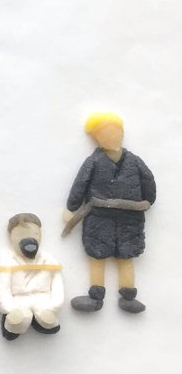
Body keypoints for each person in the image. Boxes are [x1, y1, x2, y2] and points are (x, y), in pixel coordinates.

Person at [63, 113, 156, 313]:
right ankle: (95, 297)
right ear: (97, 139)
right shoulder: (93, 162)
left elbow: (148, 180)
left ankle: (129, 296)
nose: (111, 138)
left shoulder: (135, 161)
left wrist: (148, 200)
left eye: (115, 133)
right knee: (98, 255)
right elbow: (81, 184)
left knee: (126, 254)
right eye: (104, 135)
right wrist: (72, 207)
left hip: (130, 217)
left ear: (122, 134)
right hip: (99, 216)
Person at [0, 213, 64, 340]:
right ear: (11, 238)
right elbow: (1, 287)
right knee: (18, 319)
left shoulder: (48, 260)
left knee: (46, 318)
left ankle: (45, 319)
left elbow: (57, 285)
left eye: (35, 235)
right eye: (20, 235)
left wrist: (54, 305)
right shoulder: (7, 261)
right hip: (17, 301)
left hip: (43, 300)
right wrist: (8, 308)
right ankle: (16, 321)